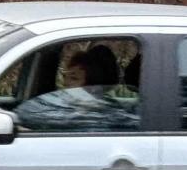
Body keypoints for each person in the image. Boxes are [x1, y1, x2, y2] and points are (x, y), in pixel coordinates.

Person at [11, 43, 139, 131]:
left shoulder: (105, 112)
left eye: (74, 78)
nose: (66, 83)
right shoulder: (64, 105)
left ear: (93, 86)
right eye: (66, 76)